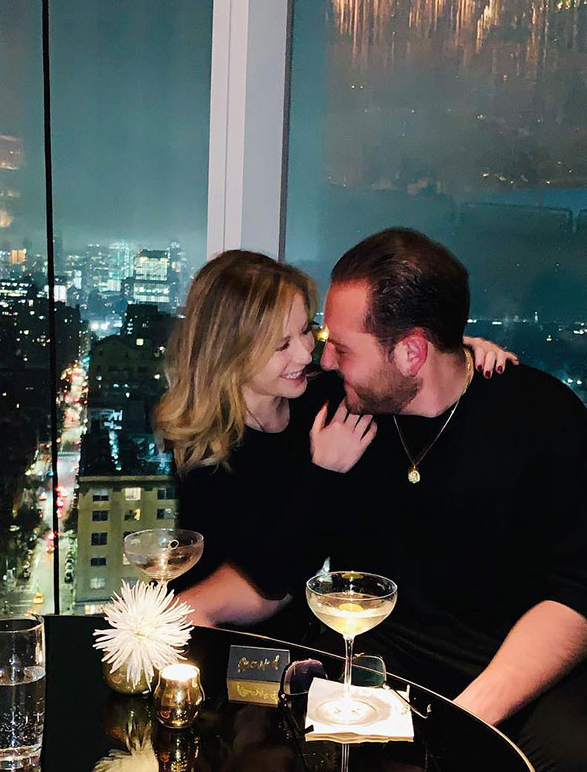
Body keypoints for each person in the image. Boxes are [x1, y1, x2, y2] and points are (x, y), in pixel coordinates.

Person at [179, 229, 587, 772]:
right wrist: (171, 615)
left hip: (512, 668)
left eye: (341, 347)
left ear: (412, 351)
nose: (322, 360)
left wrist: (467, 716)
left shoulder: (543, 418)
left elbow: (577, 592)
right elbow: (276, 558)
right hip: (367, 656)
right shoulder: (339, 412)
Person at [155, 249, 513, 618]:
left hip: (322, 623)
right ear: (229, 351)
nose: (305, 353)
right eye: (281, 345)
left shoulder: (323, 397)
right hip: (212, 627)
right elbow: (272, 576)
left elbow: (397, 384)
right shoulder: (205, 447)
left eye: (305, 330)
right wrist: (324, 471)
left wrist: (452, 352)